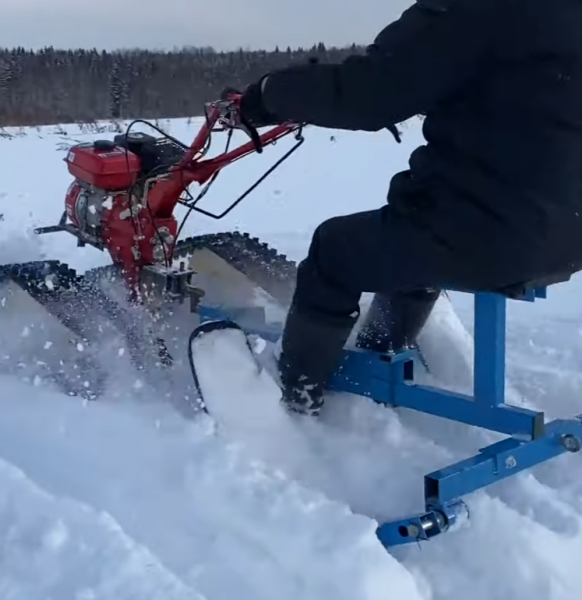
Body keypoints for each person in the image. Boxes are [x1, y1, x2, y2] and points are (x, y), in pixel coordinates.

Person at [231, 0, 582, 416]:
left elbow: (375, 91)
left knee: (334, 250)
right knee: (412, 238)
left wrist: (269, 94)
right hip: (566, 232)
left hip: (495, 231)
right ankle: (381, 350)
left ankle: (294, 397)